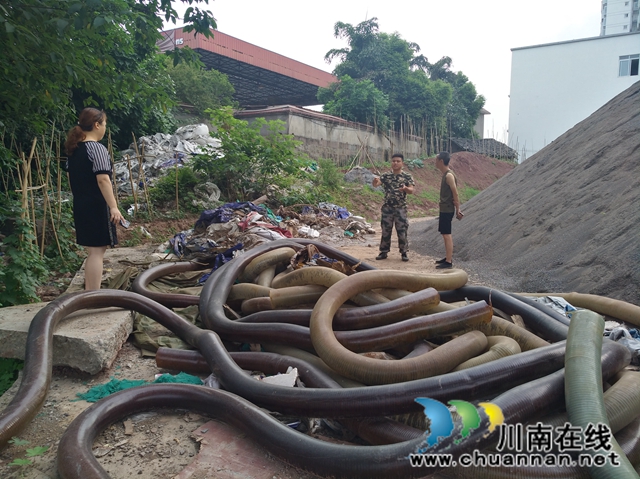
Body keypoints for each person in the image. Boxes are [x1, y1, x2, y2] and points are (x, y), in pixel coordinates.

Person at [64, 108, 124, 290]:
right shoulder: (96, 149)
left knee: (93, 252)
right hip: (96, 206)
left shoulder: (74, 151)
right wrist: (113, 207)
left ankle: (90, 293)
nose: (105, 128)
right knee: (98, 252)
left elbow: (72, 177)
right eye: (104, 124)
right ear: (97, 125)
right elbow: (103, 179)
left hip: (81, 203)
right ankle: (94, 296)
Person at [372, 153, 415, 262]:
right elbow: (376, 184)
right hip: (387, 208)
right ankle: (384, 252)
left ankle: (404, 252)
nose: (395, 163)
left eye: (398, 161)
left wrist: (405, 188)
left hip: (400, 208)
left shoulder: (407, 176)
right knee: (386, 230)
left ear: (402, 163)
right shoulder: (386, 176)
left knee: (402, 230)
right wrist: (375, 181)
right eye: (393, 161)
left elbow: (411, 190)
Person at [434, 151, 464, 269]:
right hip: (444, 209)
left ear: (441, 161)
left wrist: (458, 209)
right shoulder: (446, 174)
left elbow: (455, 193)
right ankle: (447, 257)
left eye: (436, 160)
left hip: (447, 209)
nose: (435, 162)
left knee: (447, 234)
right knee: (445, 234)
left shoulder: (449, 175)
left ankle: (449, 261)